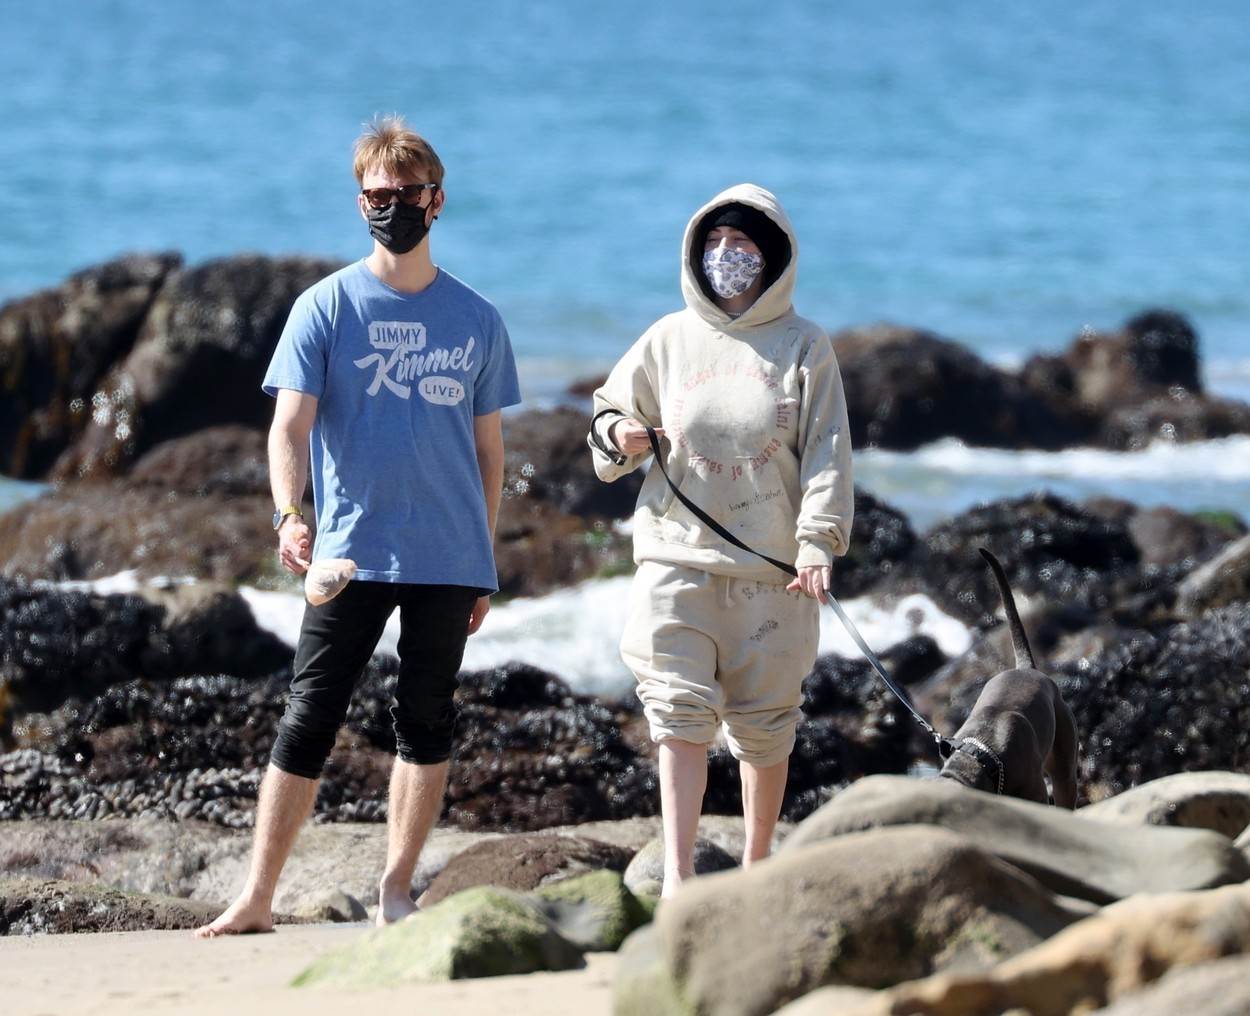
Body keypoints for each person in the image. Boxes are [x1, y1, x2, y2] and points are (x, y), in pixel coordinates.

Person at [196, 115, 520, 936]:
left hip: (449, 552)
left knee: (427, 717)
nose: (389, 208)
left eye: (404, 194)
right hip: (348, 552)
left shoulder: (477, 318)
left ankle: (396, 888)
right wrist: (287, 515)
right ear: (360, 202)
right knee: (310, 713)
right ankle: (257, 897)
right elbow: (289, 427)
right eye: (375, 195)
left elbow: (489, 453)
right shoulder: (326, 306)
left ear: (436, 200)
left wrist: (486, 559)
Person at [588, 183, 853, 897]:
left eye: (741, 245)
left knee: (767, 728)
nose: (726, 256)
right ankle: (677, 876)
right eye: (715, 244)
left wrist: (818, 544)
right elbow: (609, 414)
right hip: (676, 561)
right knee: (676, 712)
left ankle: (756, 868)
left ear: (772, 257)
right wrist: (621, 436)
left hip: (774, 575)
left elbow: (828, 452)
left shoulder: (804, 345)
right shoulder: (667, 338)